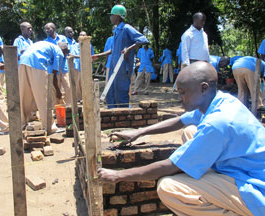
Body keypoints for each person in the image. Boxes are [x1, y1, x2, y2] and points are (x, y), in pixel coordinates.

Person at [99, 61, 265, 216]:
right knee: (190, 131)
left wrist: (118, 175)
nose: (179, 99)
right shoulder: (220, 101)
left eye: (183, 93)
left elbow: (170, 166)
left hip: (255, 189)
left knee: (168, 188)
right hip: (246, 168)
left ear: (203, 88)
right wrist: (138, 132)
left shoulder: (217, 123)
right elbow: (180, 120)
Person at [93, 5, 149, 108]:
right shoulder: (116, 31)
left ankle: (123, 116)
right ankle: (112, 115)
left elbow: (143, 39)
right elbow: (113, 50)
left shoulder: (126, 28)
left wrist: (129, 49)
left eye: (112, 15)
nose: (110, 18)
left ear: (118, 16)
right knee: (111, 91)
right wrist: (98, 55)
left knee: (121, 91)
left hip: (123, 67)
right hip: (114, 66)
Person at [19, 41, 65, 133]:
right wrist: (58, 92)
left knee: (25, 95)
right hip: (37, 63)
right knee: (43, 97)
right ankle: (49, 126)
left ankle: (22, 123)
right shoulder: (59, 52)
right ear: (65, 51)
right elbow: (53, 75)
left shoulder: (46, 46)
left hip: (23, 61)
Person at [65, 26, 82, 101]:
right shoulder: (65, 42)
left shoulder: (76, 43)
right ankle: (72, 98)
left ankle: (77, 98)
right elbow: (68, 54)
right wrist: (78, 56)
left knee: (77, 83)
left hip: (77, 65)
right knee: (70, 83)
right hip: (69, 65)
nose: (71, 33)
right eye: (69, 32)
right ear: (66, 33)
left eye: (71, 31)